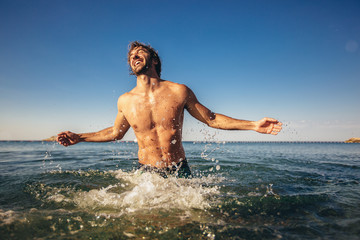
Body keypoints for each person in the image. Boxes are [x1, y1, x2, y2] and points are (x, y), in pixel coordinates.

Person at [57, 41, 282, 178]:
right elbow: (115, 133)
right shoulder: (125, 100)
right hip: (147, 172)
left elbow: (211, 119)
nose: (133, 56)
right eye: (130, 56)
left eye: (139, 52)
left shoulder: (179, 91)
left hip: (179, 169)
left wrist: (252, 125)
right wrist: (80, 137)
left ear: (154, 59)